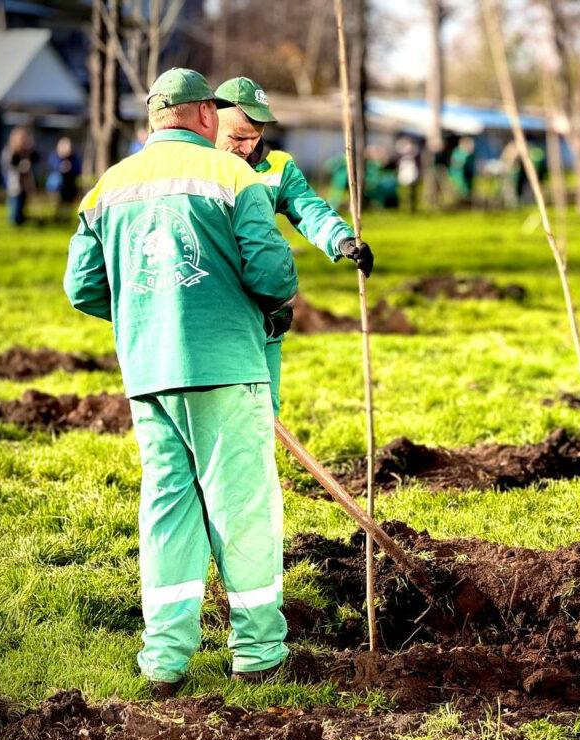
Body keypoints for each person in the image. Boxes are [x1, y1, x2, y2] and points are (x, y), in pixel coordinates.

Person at [64, 68, 299, 697]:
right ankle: (258, 653)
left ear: (152, 121)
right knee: (242, 508)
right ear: (202, 116)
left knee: (167, 510)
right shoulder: (235, 177)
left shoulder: (106, 188)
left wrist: (150, 309)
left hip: (150, 374)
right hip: (227, 368)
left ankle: (164, 662)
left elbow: (81, 288)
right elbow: (274, 274)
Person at [214, 75, 373, 415]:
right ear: (211, 120)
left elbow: (307, 208)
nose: (246, 147)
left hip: (264, 306)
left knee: (262, 407)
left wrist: (342, 239)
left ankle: (259, 462)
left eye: (254, 137)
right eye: (237, 137)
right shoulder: (196, 165)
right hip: (212, 302)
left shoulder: (278, 167)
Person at [0, 127, 37, 226]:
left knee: (22, 204)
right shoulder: (11, 151)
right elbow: (9, 166)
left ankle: (20, 220)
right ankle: (15, 221)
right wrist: (21, 167)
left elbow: (36, 158)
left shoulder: (27, 152)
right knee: (15, 205)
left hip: (25, 184)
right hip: (14, 184)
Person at [47, 137, 81, 220]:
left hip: (70, 185)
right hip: (57, 186)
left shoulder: (74, 158)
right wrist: (61, 167)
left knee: (68, 202)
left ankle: (65, 217)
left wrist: (71, 167)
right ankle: (57, 217)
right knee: (57, 202)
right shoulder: (55, 156)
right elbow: (52, 167)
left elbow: (78, 169)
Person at [448, 136, 476, 208]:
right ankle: (462, 202)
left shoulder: (470, 154)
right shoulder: (458, 152)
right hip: (458, 176)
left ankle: (466, 203)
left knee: (468, 188)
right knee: (462, 189)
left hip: (468, 176)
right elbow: (455, 164)